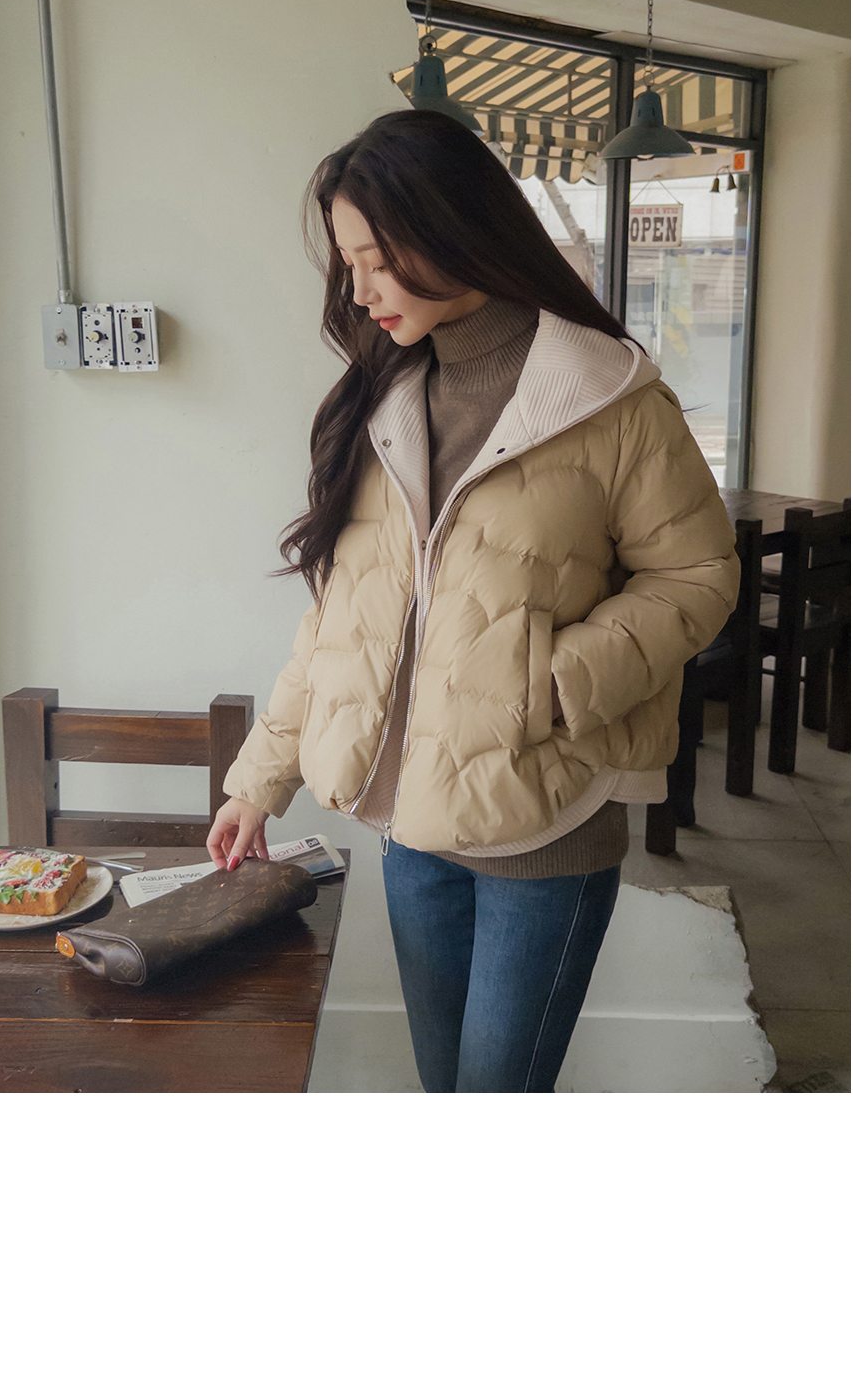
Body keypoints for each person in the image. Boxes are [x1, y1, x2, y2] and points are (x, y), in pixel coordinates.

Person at [207, 110, 740, 1092]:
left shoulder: (610, 399)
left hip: (547, 821)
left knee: (495, 1098)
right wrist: (259, 779)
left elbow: (698, 575)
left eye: (378, 260)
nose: (360, 291)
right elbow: (341, 620)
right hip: (410, 822)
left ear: (452, 227)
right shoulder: (381, 401)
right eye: (349, 265)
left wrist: (556, 681)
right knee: (441, 1087)